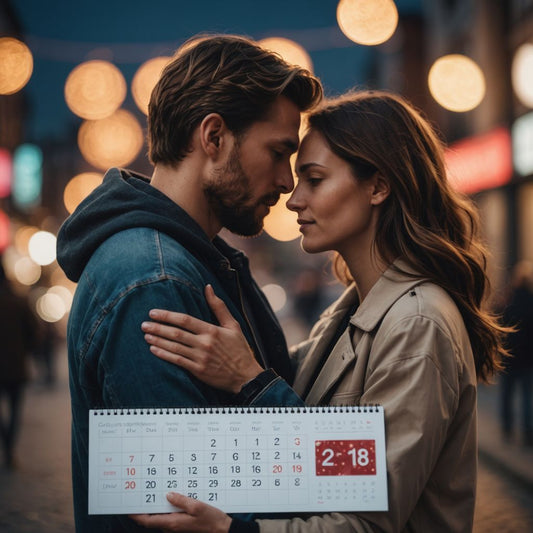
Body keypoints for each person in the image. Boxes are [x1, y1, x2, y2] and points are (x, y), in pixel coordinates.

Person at [134, 90, 509, 533]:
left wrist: (231, 530)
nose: (293, 200)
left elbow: (367, 522)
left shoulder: (417, 323)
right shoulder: (350, 311)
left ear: (378, 186)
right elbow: (311, 444)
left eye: (314, 179)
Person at [55, 34, 322, 533]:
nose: (287, 183)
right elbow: (188, 505)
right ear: (214, 136)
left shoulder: (187, 262)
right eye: (279, 151)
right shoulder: (154, 281)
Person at [0, 259, 38, 468]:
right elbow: (34, 332)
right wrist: (25, 350)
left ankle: (5, 442)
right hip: (15, 365)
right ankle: (9, 449)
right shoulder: (18, 301)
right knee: (15, 410)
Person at [499, 260, 533, 446]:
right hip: (528, 359)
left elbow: (502, 329)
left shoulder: (508, 302)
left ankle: (507, 428)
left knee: (507, 394)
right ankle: (528, 431)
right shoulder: (531, 302)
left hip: (510, 357)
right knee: (527, 396)